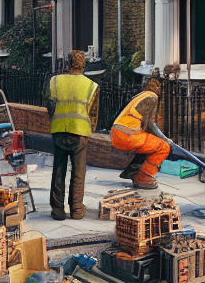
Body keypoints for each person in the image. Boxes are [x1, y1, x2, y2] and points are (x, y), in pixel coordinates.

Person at [47, 51, 99, 220]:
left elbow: (50, 105)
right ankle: (76, 209)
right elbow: (94, 114)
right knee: (78, 172)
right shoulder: (91, 86)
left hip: (59, 130)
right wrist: (89, 128)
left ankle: (58, 210)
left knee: (59, 170)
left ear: (67, 64)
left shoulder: (55, 81)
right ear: (84, 65)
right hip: (80, 133)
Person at [110, 77, 171, 190]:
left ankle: (134, 172)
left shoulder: (140, 96)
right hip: (127, 135)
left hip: (119, 134)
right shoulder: (151, 97)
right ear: (158, 88)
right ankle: (143, 178)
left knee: (149, 144)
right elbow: (150, 124)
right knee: (164, 147)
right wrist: (166, 139)